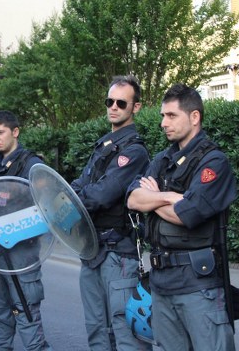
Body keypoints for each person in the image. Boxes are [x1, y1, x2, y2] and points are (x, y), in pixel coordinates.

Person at [127, 83, 237, 351]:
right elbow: (133, 199)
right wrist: (168, 197)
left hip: (198, 286)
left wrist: (154, 198)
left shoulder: (214, 162)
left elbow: (187, 214)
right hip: (161, 284)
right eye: (163, 116)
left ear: (194, 117)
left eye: (171, 115)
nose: (163, 123)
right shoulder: (163, 159)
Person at [69, 75, 151, 351]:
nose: (113, 107)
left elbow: (103, 194)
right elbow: (80, 184)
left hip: (119, 254)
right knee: (97, 331)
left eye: (121, 103)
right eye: (110, 101)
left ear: (136, 107)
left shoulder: (135, 151)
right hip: (92, 250)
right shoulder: (104, 146)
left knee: (126, 334)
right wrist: (66, 196)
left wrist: (70, 201)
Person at [0, 110, 52, 350]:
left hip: (21, 254)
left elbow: (46, 209)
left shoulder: (32, 165)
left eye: (0, 132)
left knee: (27, 317)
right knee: (1, 318)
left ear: (15, 132)